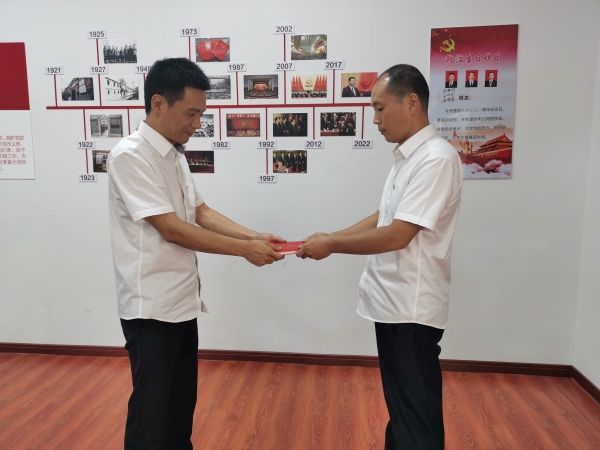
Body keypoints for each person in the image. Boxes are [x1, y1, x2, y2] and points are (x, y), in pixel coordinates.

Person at [107, 57, 285, 450]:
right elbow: (171, 228)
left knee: (179, 406)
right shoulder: (130, 156)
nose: (197, 123)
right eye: (191, 113)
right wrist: (245, 250)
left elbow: (201, 212)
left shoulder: (174, 153)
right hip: (150, 307)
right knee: (152, 415)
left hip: (182, 301)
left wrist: (255, 235)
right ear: (158, 103)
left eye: (201, 114)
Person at [297, 63, 462, 450]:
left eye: (379, 108)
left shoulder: (435, 159)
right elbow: (383, 216)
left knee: (415, 414)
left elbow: (399, 234)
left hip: (411, 308)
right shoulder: (409, 157)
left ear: (411, 103)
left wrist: (332, 246)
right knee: (403, 407)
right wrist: (330, 236)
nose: (375, 119)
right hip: (393, 303)